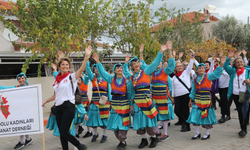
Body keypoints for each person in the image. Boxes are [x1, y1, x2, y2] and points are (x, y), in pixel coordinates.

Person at [41, 46, 92, 150]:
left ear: (69, 66)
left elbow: (82, 68)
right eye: (63, 64)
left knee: (65, 132)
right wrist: (46, 100)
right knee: (62, 133)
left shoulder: (71, 77)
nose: (65, 66)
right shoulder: (57, 80)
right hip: (58, 107)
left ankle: (80, 146)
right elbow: (56, 95)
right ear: (59, 67)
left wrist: (86, 57)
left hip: (68, 106)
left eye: (67, 65)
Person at [123, 42, 171, 148]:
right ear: (132, 67)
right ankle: (143, 139)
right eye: (133, 63)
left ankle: (154, 137)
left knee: (149, 118)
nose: (136, 64)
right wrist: (125, 63)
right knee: (139, 120)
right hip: (137, 101)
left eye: (137, 62)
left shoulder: (145, 72)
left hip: (147, 100)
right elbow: (125, 73)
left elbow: (155, 63)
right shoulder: (132, 77)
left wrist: (161, 52)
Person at [93, 53, 131, 150]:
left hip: (124, 106)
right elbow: (103, 73)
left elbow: (130, 94)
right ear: (114, 70)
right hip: (114, 106)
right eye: (117, 68)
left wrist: (131, 105)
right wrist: (97, 62)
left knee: (122, 125)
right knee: (115, 127)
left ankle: (122, 141)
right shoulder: (111, 79)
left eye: (121, 68)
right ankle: (122, 141)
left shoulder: (127, 81)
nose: (119, 69)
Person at [139, 44, 175, 141]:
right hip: (154, 97)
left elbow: (171, 65)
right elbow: (142, 65)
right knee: (155, 114)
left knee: (164, 115)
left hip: (163, 97)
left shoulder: (165, 71)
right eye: (157, 62)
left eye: (160, 62)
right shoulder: (152, 71)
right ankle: (157, 131)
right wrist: (141, 52)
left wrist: (170, 51)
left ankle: (165, 133)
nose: (158, 64)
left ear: (162, 64)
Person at [187, 55, 225, 140]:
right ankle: (197, 133)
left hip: (206, 99)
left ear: (204, 69)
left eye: (202, 68)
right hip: (197, 99)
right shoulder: (194, 79)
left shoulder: (208, 76)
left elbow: (217, 73)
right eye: (199, 68)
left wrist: (221, 64)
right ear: (197, 70)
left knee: (206, 115)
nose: (201, 69)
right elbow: (193, 90)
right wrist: (190, 100)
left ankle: (207, 134)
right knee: (196, 115)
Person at [0, 73, 33, 150]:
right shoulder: (17, 87)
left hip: (26, 109)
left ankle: (21, 142)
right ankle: (28, 139)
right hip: (19, 110)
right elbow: (6, 88)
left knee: (21, 125)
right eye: (19, 79)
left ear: (25, 78)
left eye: (22, 78)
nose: (21, 80)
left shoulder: (29, 88)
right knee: (22, 125)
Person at [224, 50, 250, 137]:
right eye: (238, 62)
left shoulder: (248, 71)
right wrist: (228, 57)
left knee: (243, 111)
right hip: (235, 94)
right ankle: (243, 125)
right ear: (235, 64)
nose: (239, 63)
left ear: (243, 63)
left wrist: (249, 80)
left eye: (241, 62)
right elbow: (225, 66)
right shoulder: (232, 71)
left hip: (245, 94)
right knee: (240, 111)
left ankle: (243, 129)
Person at [85, 60, 112, 143]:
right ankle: (95, 134)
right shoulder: (93, 78)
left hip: (104, 103)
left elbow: (109, 90)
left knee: (104, 119)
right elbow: (88, 70)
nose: (96, 69)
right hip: (94, 102)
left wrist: (110, 101)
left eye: (98, 68)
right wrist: (86, 61)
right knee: (93, 119)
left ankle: (105, 135)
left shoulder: (106, 78)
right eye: (95, 68)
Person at [172, 50, 195, 132]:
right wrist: (172, 97)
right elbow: (173, 87)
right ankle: (184, 122)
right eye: (178, 66)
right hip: (177, 96)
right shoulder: (174, 77)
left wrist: (192, 55)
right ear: (175, 68)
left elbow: (190, 64)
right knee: (177, 110)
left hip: (186, 94)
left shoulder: (186, 72)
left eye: (181, 65)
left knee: (185, 111)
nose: (180, 67)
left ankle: (187, 126)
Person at [215, 51, 231, 123]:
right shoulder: (219, 67)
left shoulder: (228, 67)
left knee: (223, 101)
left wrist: (221, 71)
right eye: (221, 59)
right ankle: (228, 115)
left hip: (226, 87)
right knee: (225, 102)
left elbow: (228, 75)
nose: (222, 60)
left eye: (224, 59)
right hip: (220, 87)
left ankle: (223, 116)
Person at [79, 74, 93, 138]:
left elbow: (87, 78)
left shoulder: (85, 83)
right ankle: (79, 127)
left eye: (80, 79)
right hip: (78, 103)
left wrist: (86, 73)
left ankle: (89, 131)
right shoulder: (75, 84)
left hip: (84, 103)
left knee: (86, 116)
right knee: (78, 117)